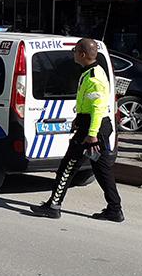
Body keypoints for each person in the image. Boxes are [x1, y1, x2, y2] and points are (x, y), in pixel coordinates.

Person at [30, 38, 124, 222]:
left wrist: (91, 134)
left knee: (68, 167)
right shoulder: (90, 71)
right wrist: (78, 119)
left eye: (74, 50)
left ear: (82, 54)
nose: (73, 53)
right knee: (101, 170)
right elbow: (88, 105)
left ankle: (53, 206)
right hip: (90, 126)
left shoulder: (94, 78)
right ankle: (115, 209)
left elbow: (98, 108)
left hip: (92, 130)